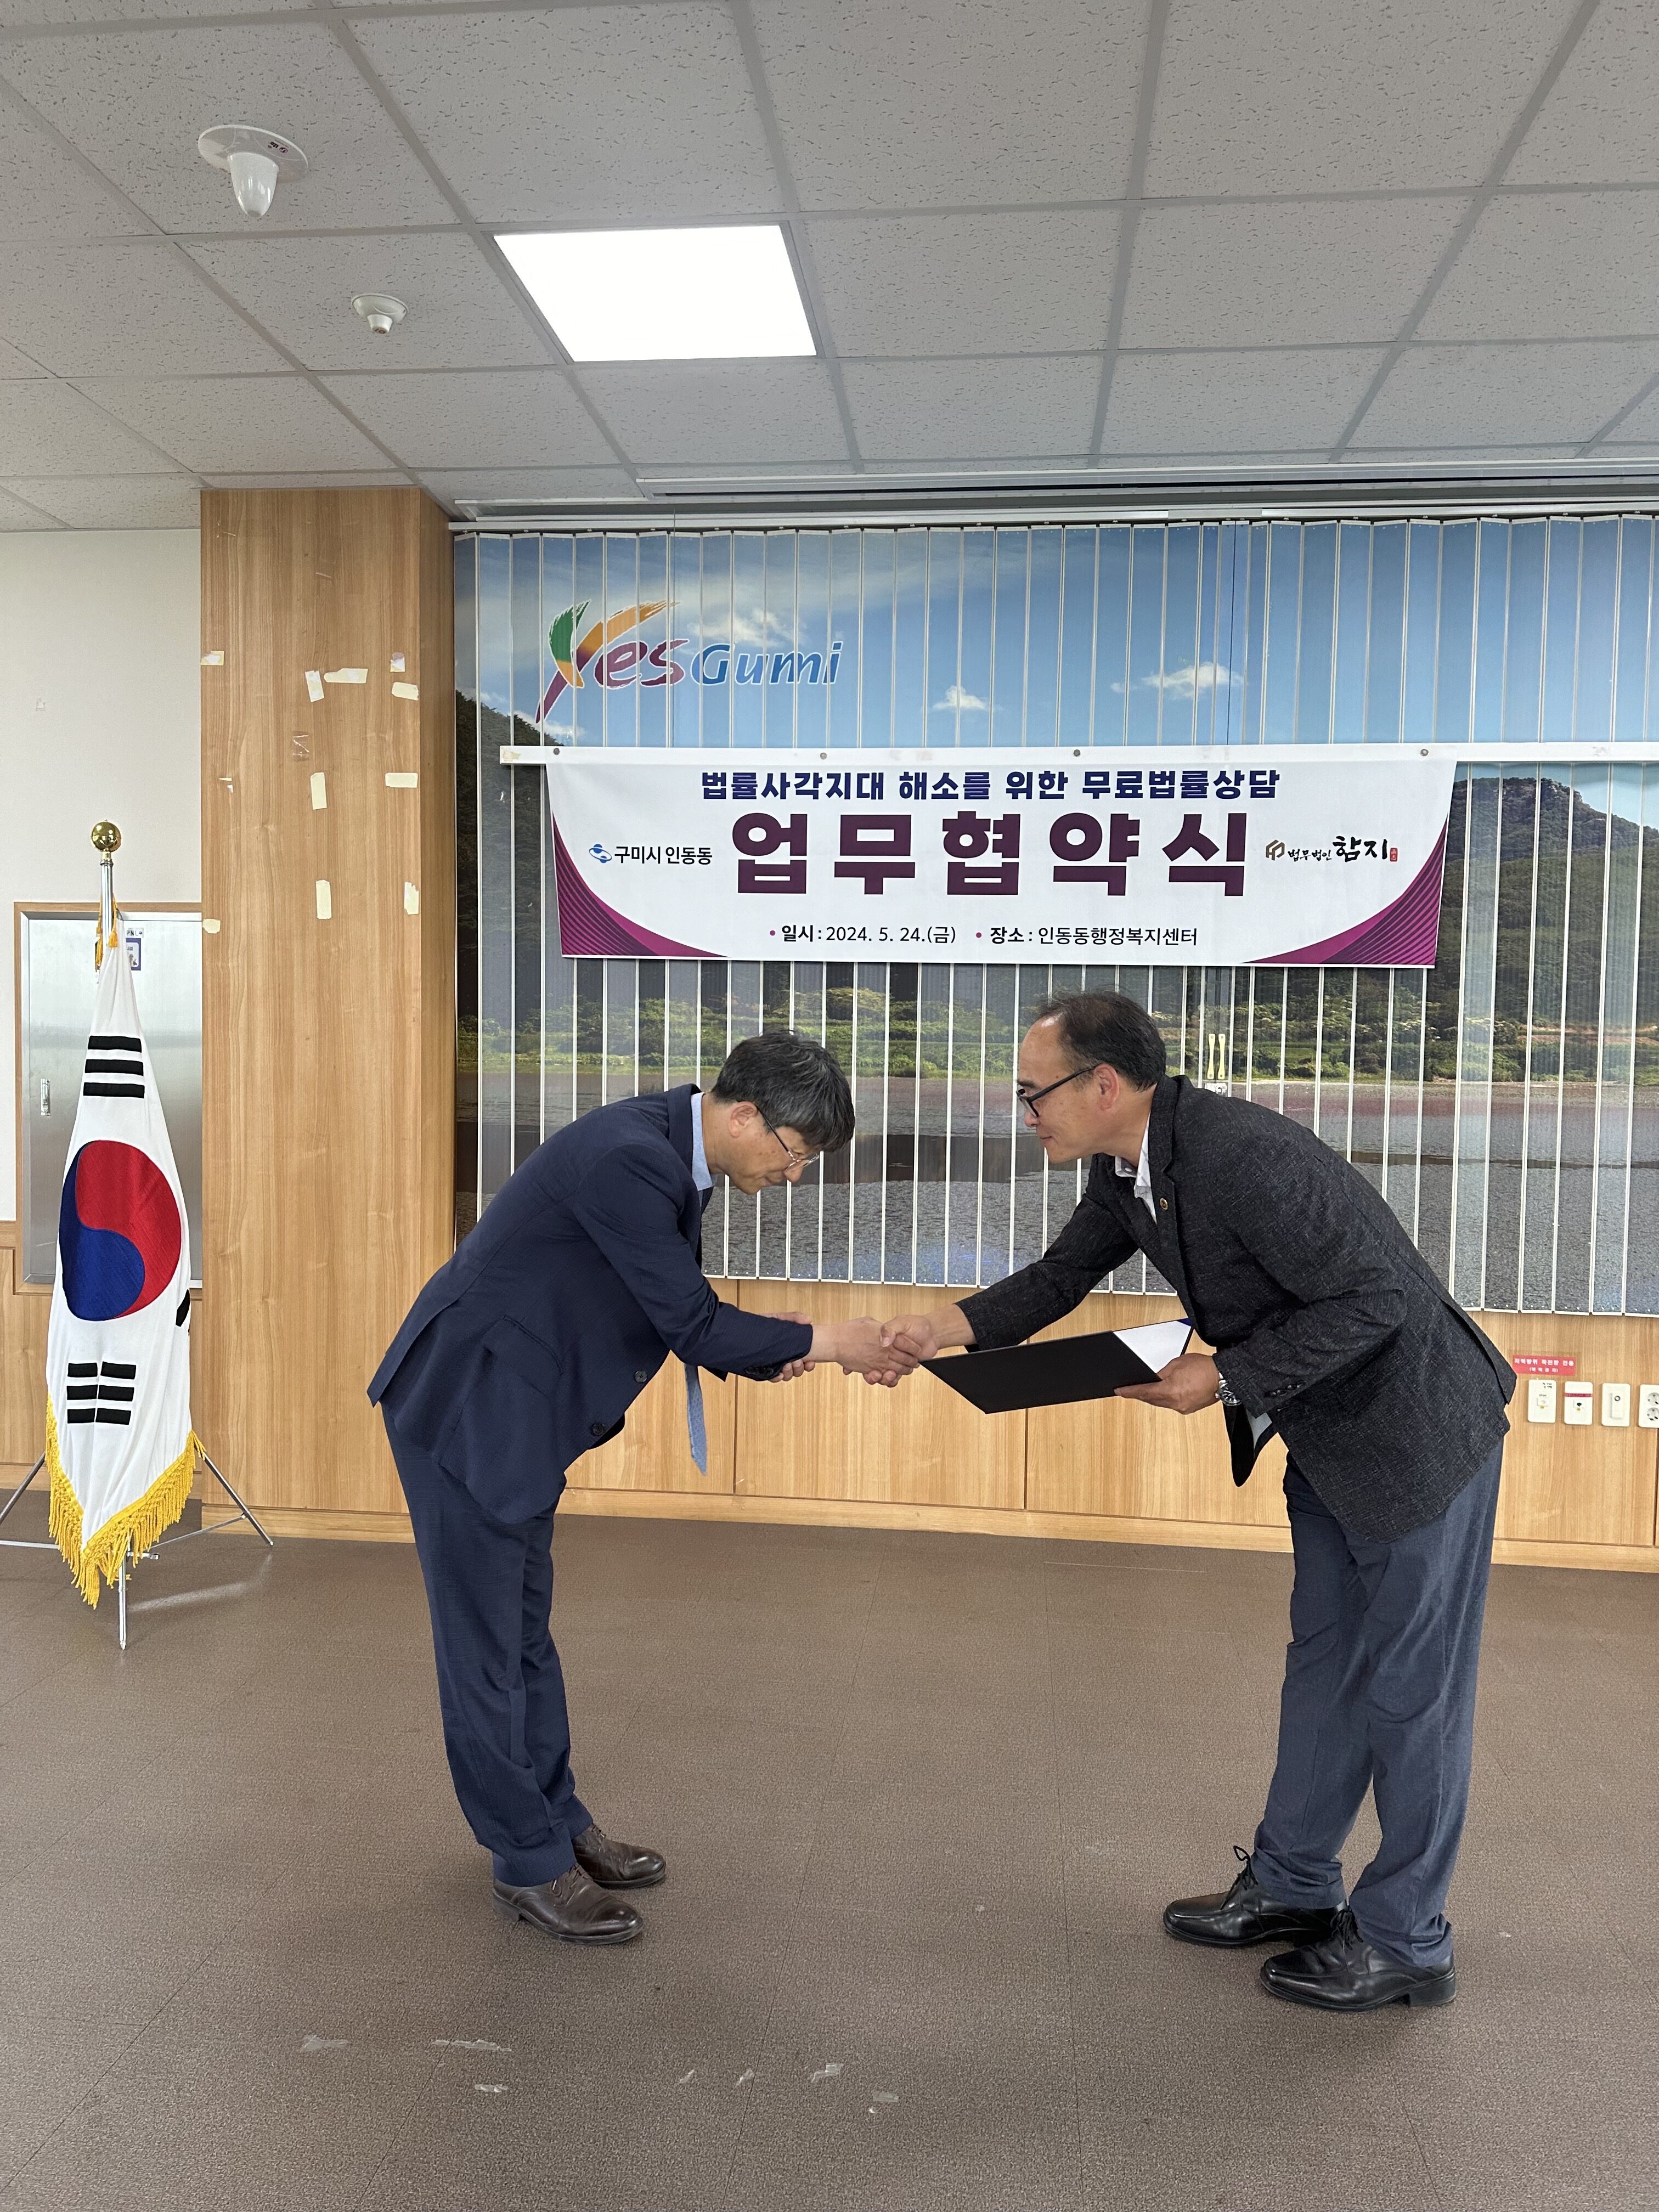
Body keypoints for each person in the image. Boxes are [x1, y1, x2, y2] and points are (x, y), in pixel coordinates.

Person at [878, 992, 1515, 2013]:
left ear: (1103, 1084)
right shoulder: (1130, 1167)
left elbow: (1379, 1298)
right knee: (1325, 1669)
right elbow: (1061, 1276)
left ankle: (1408, 1940)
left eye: (1032, 1093)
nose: (1024, 1112)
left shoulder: (1239, 1156)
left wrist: (1223, 1377)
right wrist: (940, 1329)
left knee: (1413, 1692)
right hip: (1328, 1432)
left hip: (1418, 1439)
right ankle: (1296, 1884)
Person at [370, 1032, 912, 1946]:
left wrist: (772, 1341)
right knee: (485, 1650)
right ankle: (526, 1862)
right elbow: (691, 1323)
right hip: (471, 1409)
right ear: (746, 1116)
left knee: (522, 1636)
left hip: (517, 1412)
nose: (794, 1175)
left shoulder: (667, 1144)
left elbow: (661, 1299)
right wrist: (827, 1343)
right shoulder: (632, 1158)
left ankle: (557, 1821)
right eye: (794, 1153)